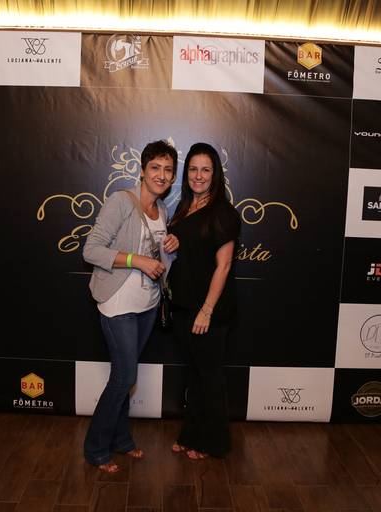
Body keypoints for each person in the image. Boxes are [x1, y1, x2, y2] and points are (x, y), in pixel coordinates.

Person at [82, 140, 179, 473]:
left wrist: (171, 247)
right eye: (155, 168)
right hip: (118, 303)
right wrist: (135, 260)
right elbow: (90, 250)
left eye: (168, 170)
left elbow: (159, 261)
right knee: (124, 378)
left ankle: (121, 440)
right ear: (142, 170)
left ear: (173, 176)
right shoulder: (121, 201)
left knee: (126, 377)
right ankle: (96, 448)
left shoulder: (162, 210)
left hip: (147, 305)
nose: (161, 175)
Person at [167, 142, 240, 460]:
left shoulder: (223, 213)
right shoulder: (184, 207)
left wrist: (206, 311)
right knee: (194, 376)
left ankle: (214, 442)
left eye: (205, 170)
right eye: (193, 169)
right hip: (184, 306)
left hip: (209, 310)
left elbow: (224, 266)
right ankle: (191, 434)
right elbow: (189, 249)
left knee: (209, 378)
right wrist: (173, 242)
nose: (198, 175)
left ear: (215, 174)